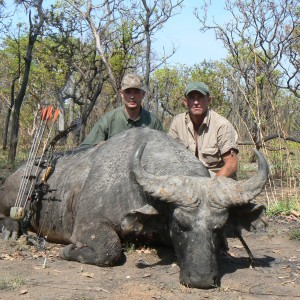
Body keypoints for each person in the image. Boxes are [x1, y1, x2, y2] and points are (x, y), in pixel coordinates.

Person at [168, 81, 238, 178]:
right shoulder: (177, 123)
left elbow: (231, 164)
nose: (196, 102)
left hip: (217, 181)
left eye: (200, 97)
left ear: (209, 100)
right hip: (187, 182)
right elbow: (170, 159)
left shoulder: (222, 125)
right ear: (185, 102)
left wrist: (210, 187)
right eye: (192, 98)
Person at [80, 73, 163, 147]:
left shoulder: (153, 121)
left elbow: (164, 149)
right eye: (128, 92)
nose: (132, 96)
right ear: (121, 94)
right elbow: (85, 149)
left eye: (136, 92)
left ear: (143, 94)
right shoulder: (108, 120)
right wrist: (99, 147)